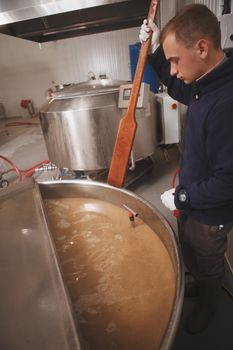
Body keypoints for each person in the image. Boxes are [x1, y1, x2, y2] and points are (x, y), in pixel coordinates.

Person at [139, 4, 233, 334]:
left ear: (202, 47)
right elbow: (176, 84)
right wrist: (151, 53)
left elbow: (229, 180)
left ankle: (209, 308)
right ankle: (200, 283)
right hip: (193, 201)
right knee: (190, 252)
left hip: (210, 213)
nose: (174, 70)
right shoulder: (204, 82)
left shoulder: (226, 102)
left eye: (176, 59)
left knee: (207, 261)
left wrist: (183, 195)